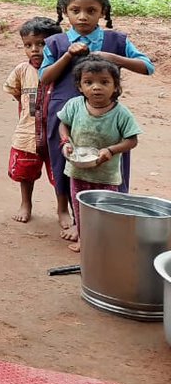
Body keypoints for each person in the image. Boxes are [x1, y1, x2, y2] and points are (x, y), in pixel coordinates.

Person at [38, 0, 153, 244]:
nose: (82, 16)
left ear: (103, 12)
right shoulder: (56, 42)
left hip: (107, 115)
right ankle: (65, 210)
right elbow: (45, 77)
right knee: (63, 160)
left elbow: (147, 67)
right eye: (75, 10)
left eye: (91, 10)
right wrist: (67, 55)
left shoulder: (116, 40)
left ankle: (111, 211)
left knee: (112, 162)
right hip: (66, 111)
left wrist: (115, 58)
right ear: (64, 12)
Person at [56, 55, 141, 252]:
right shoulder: (75, 105)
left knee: (105, 209)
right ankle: (83, 237)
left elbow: (132, 140)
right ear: (79, 86)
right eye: (88, 82)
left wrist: (110, 150)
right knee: (79, 206)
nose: (96, 87)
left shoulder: (121, 113)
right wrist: (65, 141)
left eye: (104, 82)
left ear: (116, 87)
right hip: (78, 170)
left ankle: (104, 240)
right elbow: (63, 124)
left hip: (107, 175)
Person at [3, 17, 61, 224]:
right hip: (27, 132)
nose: (34, 50)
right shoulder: (21, 70)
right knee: (26, 172)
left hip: (56, 133)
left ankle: (62, 209)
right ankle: (26, 203)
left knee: (60, 174)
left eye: (41, 44)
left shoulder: (62, 69)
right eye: (28, 45)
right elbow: (16, 93)